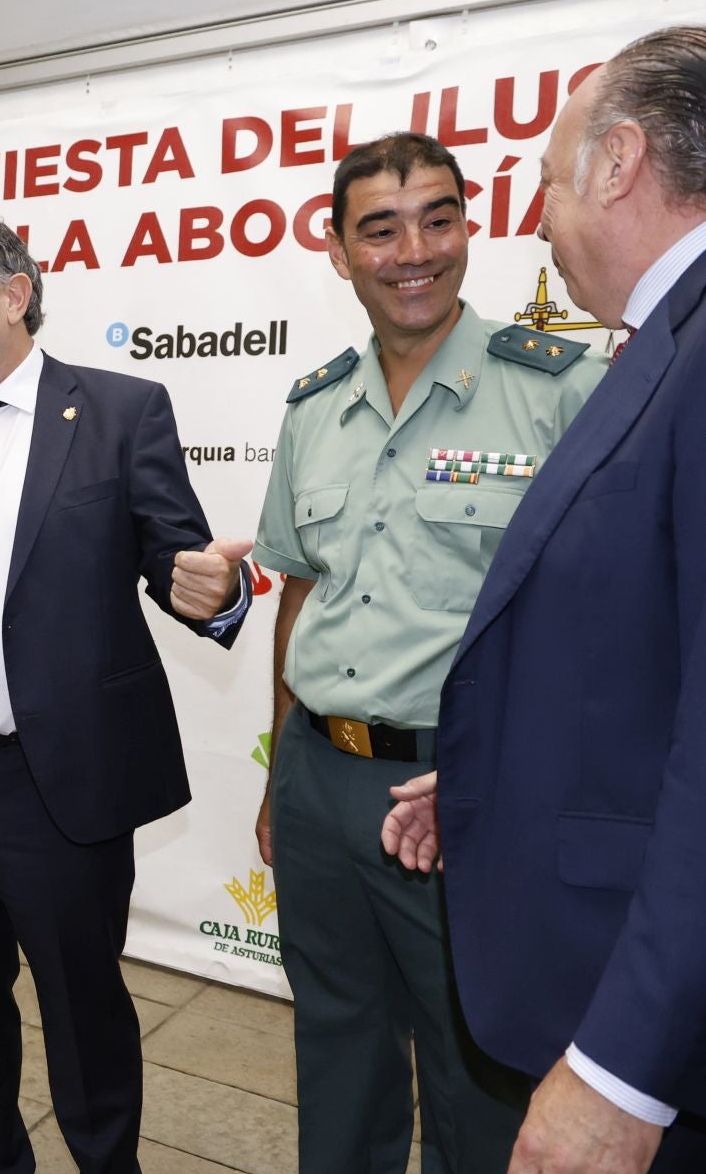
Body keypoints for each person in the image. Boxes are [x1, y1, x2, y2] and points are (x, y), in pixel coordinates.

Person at [382, 26, 706, 1173]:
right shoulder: (701, 324)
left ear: (618, 162)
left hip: (657, 1025)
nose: (535, 218)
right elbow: (661, 642)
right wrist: (507, 772)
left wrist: (623, 1072)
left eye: (545, 179)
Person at [0, 212, 252, 1174]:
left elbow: (180, 563)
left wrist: (218, 591)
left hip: (57, 787)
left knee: (84, 1023)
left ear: (16, 292)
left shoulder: (118, 412)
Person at [250, 132, 605, 1173]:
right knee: (338, 1047)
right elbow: (298, 594)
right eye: (381, 227)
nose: (416, 249)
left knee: (476, 1075)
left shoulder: (557, 390)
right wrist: (281, 769)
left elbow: (597, 625)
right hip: (320, 775)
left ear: (470, 224)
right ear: (337, 248)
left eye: (438, 218)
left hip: (460, 792)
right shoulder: (316, 406)